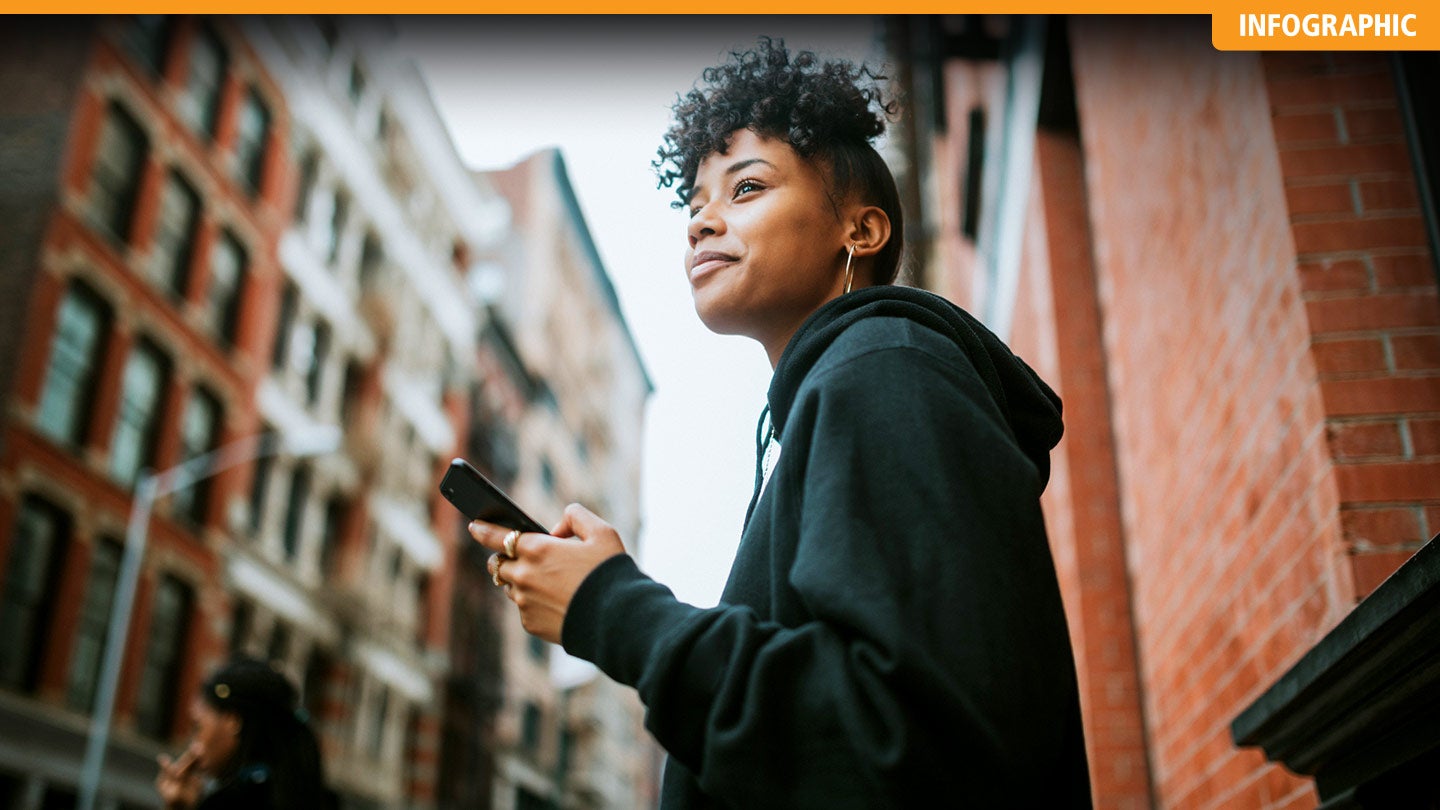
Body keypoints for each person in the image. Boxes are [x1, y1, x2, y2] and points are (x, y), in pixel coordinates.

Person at [470, 37, 1092, 808]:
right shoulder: (832, 406)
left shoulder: (885, 369)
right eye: (695, 203)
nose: (701, 224)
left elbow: (908, 741)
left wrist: (612, 608)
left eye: (747, 189)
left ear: (859, 232)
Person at [155, 655, 335, 810]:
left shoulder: (231, 803)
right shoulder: (310, 797)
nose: (193, 747)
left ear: (233, 721)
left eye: (198, 728)